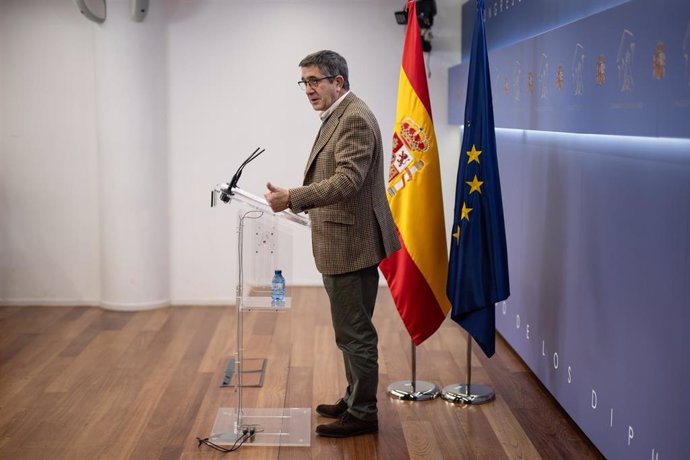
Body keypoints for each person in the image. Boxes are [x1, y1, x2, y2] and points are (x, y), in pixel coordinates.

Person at [264, 50, 400, 438]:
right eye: (303, 82)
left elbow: (346, 182)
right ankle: (355, 396)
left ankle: (363, 413)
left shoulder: (353, 118)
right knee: (350, 329)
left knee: (354, 332)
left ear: (338, 81)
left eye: (315, 81)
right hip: (344, 240)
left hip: (351, 244)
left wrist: (293, 197)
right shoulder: (339, 113)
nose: (308, 89)